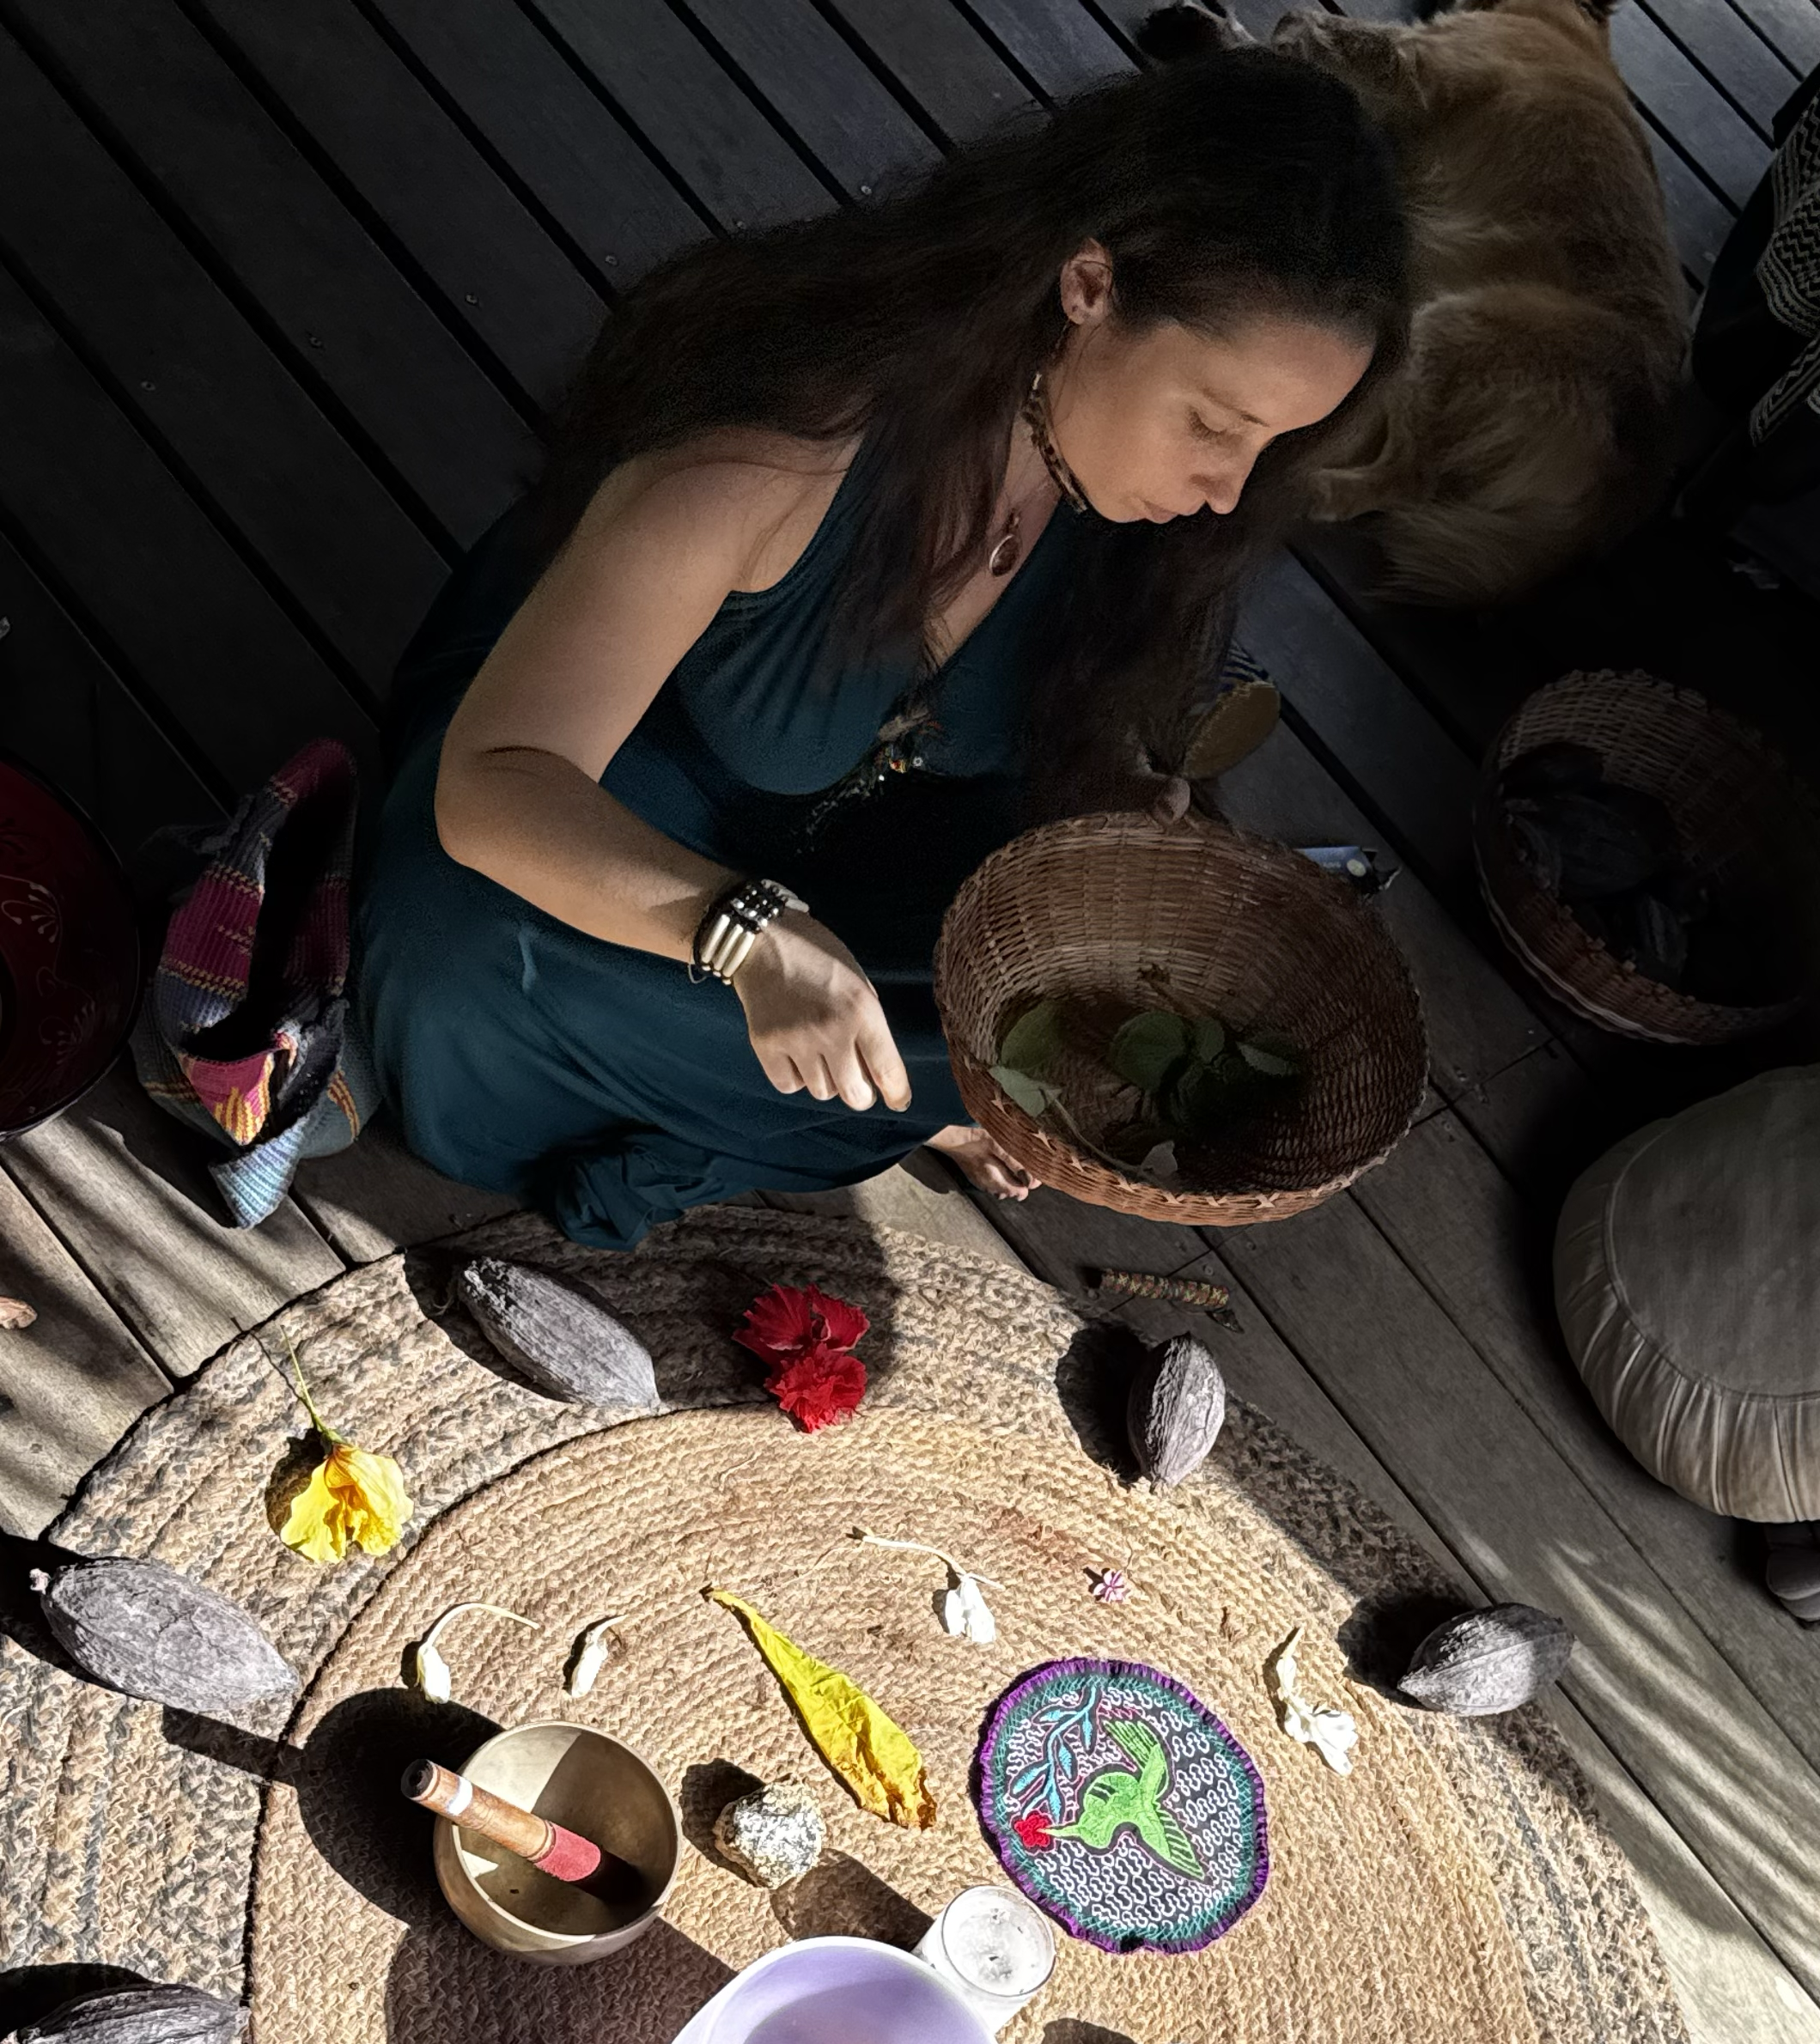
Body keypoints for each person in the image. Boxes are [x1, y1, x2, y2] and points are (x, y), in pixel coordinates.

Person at [355, 52, 1405, 1248]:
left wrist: (1109, 785)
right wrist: (743, 935)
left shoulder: (1127, 514)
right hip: (590, 819)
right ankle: (831, 1105)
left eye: (1271, 446)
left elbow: (1013, 733)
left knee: (1034, 1046)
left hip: (849, 842)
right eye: (1212, 424)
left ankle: (872, 1097)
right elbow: (496, 782)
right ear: (1090, 284)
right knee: (447, 964)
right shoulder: (782, 446)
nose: (1227, 491)